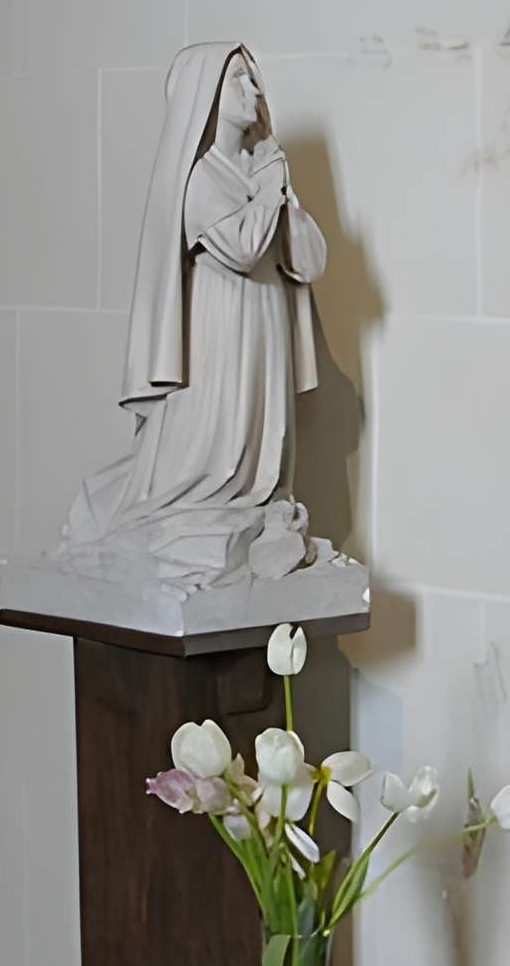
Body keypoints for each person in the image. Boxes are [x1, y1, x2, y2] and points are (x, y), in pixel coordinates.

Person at [61, 42, 327, 585]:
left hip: (264, 327)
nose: (254, 91)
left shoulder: (260, 168)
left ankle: (255, 508)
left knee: (257, 448)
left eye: (254, 79)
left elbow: (309, 258)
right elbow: (244, 248)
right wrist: (270, 189)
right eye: (239, 80)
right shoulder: (197, 177)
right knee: (209, 452)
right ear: (206, 95)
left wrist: (280, 190)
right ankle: (165, 511)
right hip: (219, 332)